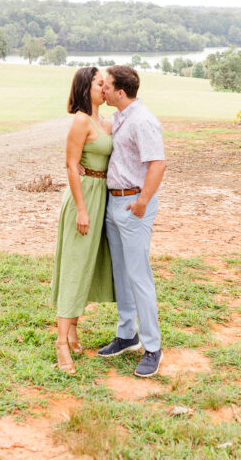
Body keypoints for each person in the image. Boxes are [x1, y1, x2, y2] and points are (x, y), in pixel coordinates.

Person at [98, 64, 166, 378]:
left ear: (121, 92)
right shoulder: (121, 116)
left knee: (139, 275)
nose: (104, 90)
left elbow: (158, 164)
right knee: (121, 273)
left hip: (134, 204)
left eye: (107, 86)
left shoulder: (142, 120)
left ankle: (153, 348)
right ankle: (127, 334)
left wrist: (141, 202)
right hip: (115, 201)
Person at [51, 66, 115, 374]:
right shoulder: (81, 121)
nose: (105, 88)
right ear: (85, 88)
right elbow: (70, 165)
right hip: (83, 198)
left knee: (87, 265)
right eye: (100, 84)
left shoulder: (104, 122)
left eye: (106, 84)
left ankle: (74, 329)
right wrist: (82, 209)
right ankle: (61, 343)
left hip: (101, 197)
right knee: (75, 266)